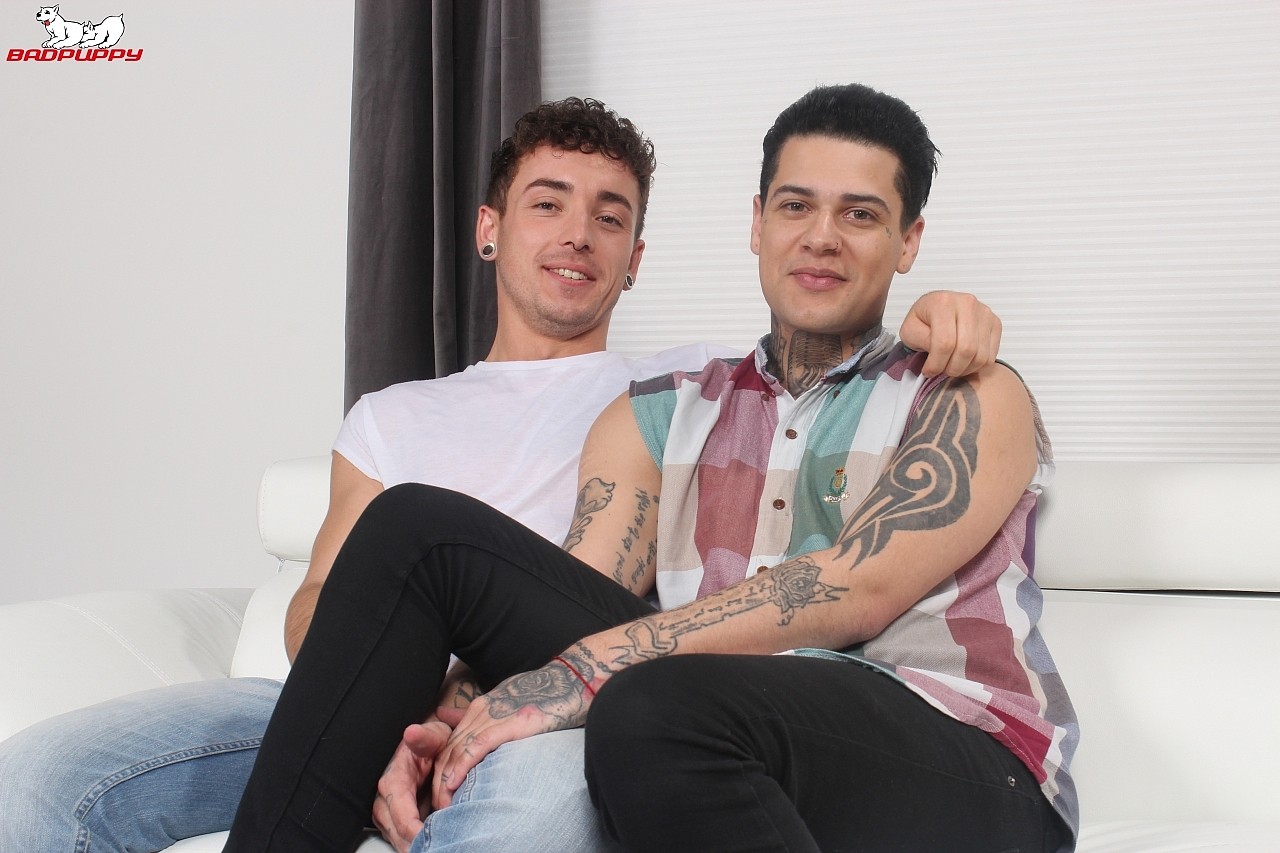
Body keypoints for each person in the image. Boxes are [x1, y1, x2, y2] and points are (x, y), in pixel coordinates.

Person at [0, 97, 1001, 853]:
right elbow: (319, 605)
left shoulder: (674, 388)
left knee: (425, 547)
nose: (577, 234)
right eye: (548, 204)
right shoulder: (391, 416)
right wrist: (382, 705)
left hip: (575, 683)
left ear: (636, 257)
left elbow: (824, 328)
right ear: (488, 227)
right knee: (42, 782)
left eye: (609, 217)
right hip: (375, 683)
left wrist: (943, 314)